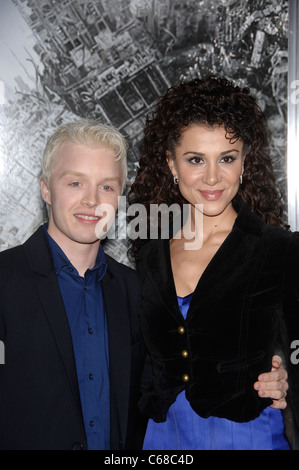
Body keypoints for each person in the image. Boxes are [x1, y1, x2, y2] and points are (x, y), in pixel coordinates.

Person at [128, 76, 299, 450]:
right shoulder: (149, 252)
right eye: (195, 160)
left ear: (244, 162)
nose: (211, 177)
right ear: (172, 163)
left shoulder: (279, 250)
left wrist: (285, 376)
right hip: (162, 438)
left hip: (248, 436)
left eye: (226, 158)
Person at [0, 119, 146, 450]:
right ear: (46, 189)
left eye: (107, 186)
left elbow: (158, 391)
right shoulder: (4, 282)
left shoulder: (135, 291)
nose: (92, 201)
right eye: (76, 183)